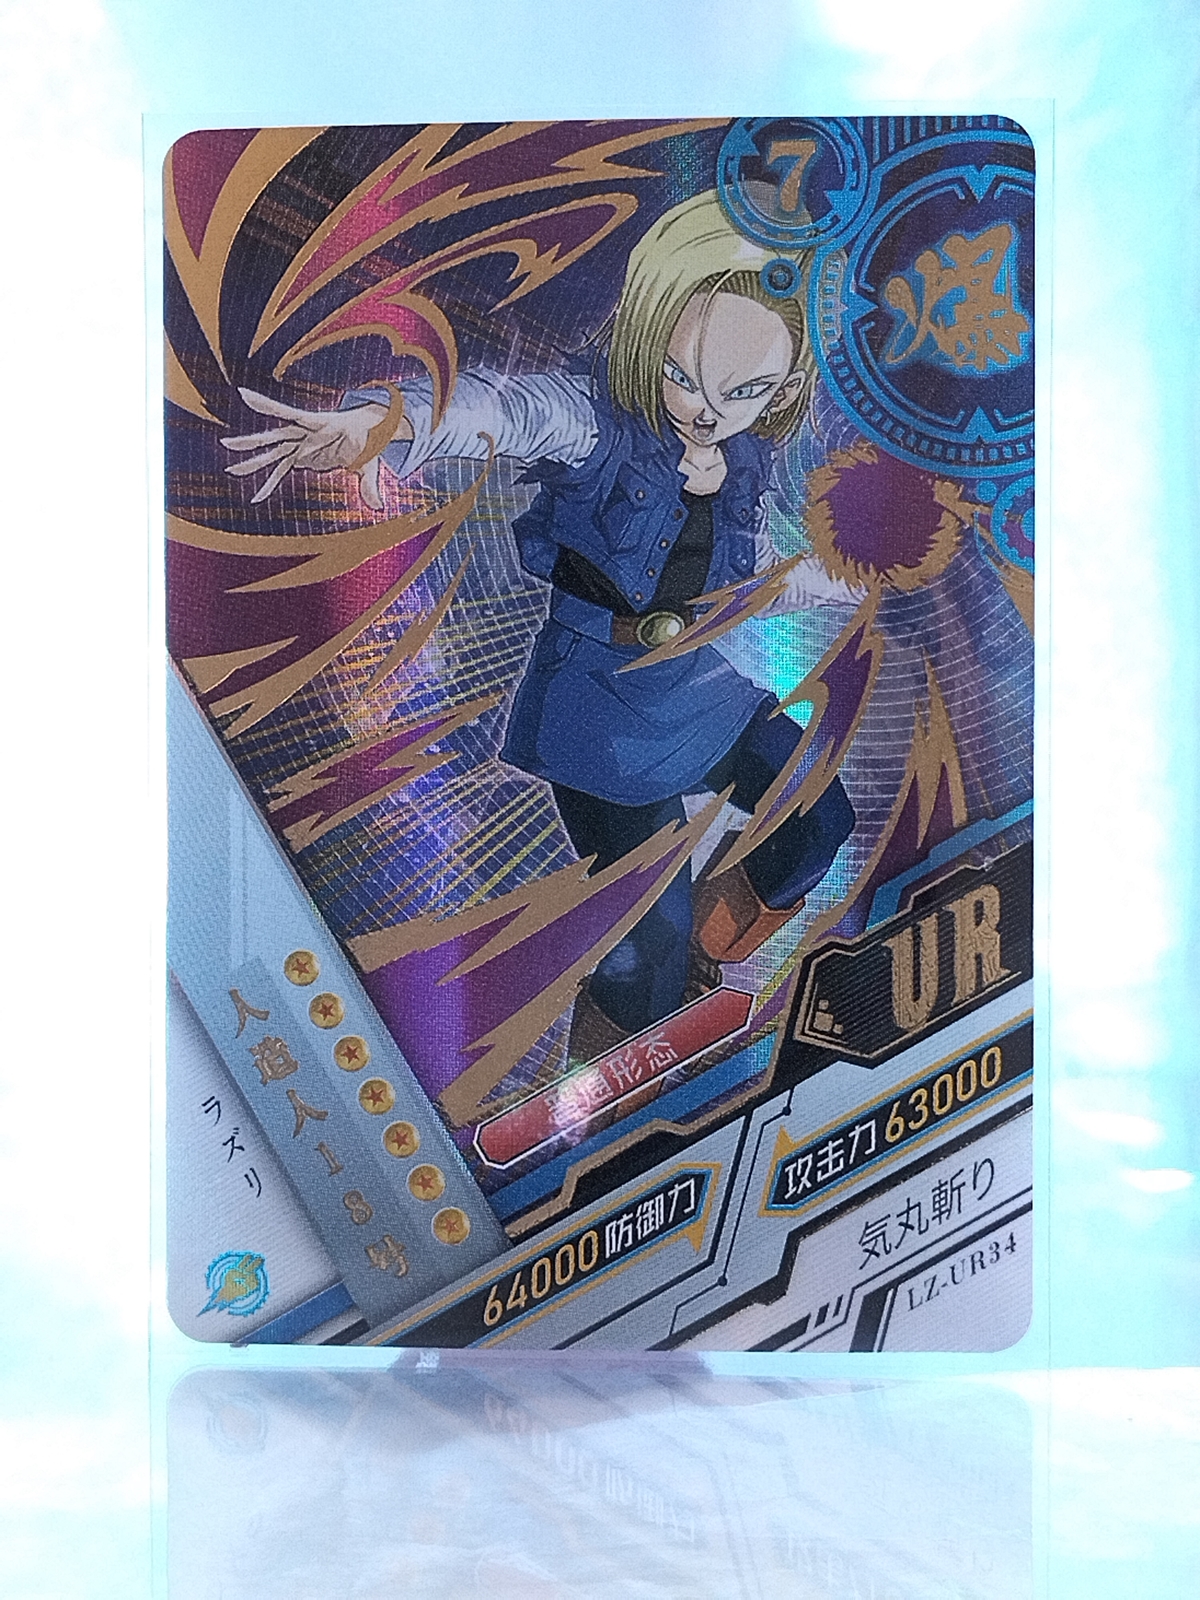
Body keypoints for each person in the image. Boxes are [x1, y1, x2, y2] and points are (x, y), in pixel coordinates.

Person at [223, 191, 859, 1053]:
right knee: (648, 940)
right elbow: (499, 409)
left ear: (781, 387)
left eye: (742, 391)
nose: (707, 409)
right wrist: (388, 422)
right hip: (598, 710)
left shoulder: (742, 458)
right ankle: (627, 1050)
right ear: (650, 337)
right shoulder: (594, 423)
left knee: (816, 825)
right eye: (683, 377)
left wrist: (836, 577)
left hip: (699, 688)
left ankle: (696, 971)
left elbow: (741, 577)